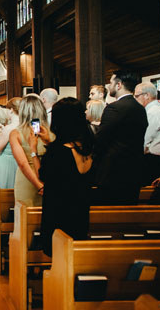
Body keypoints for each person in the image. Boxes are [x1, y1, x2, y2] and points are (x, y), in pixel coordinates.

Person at [37, 98, 94, 256]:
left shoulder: (58, 152)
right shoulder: (90, 148)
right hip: (80, 212)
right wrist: (49, 143)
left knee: (59, 257)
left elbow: (43, 175)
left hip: (58, 214)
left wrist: (35, 153)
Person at [93, 70, 148, 205]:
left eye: (111, 82)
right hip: (134, 170)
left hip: (113, 172)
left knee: (109, 215)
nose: (108, 86)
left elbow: (101, 140)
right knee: (129, 214)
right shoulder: (140, 108)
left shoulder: (114, 108)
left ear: (119, 85)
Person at [10, 95, 53, 206]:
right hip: (49, 181)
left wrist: (39, 186)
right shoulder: (50, 133)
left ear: (22, 112)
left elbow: (23, 164)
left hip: (27, 180)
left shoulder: (16, 133)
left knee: (24, 219)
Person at [134, 82, 160, 185]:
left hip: (155, 162)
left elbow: (144, 141)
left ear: (147, 95)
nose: (135, 99)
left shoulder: (153, 112)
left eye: (136, 96)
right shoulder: (158, 109)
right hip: (157, 160)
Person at [0, 97, 21, 189]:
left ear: (11, 110)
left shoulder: (9, 128)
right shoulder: (25, 125)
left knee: (4, 191)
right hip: (19, 161)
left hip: (7, 163)